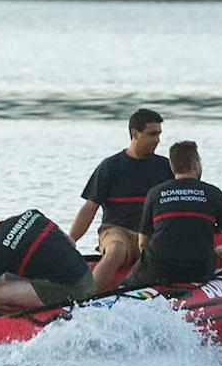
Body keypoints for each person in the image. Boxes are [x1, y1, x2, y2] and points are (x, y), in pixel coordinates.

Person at [0, 205, 97, 357]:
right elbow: (68, 241)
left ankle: (29, 319)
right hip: (84, 274)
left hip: (73, 289)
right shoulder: (31, 215)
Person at [120, 140, 222, 288]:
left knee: (125, 286)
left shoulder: (155, 193)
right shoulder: (213, 193)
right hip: (197, 272)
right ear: (195, 164)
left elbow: (143, 242)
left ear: (172, 167)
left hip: (157, 271)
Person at [69, 108, 173, 290]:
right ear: (135, 134)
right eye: (152, 134)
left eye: (159, 134)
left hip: (154, 235)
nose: (158, 140)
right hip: (118, 232)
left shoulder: (166, 167)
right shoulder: (111, 167)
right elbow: (89, 207)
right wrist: (71, 240)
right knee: (115, 250)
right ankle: (86, 299)